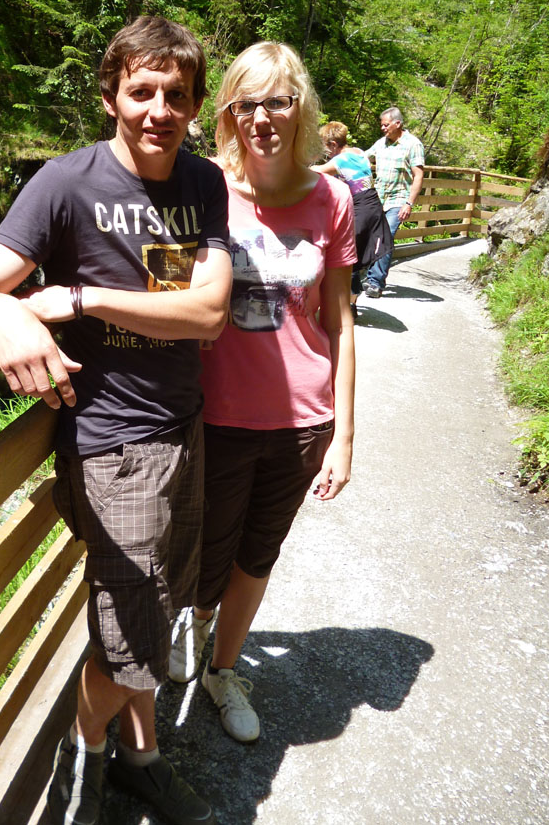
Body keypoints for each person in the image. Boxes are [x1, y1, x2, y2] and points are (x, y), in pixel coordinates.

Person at [0, 16, 233, 825]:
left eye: (177, 94)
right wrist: (7, 317)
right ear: (111, 96)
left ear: (194, 105)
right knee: (131, 644)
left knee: (155, 614)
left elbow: (208, 311)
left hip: (185, 427)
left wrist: (80, 298)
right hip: (112, 446)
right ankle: (83, 756)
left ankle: (141, 759)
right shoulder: (64, 184)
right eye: (142, 91)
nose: (159, 110)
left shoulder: (203, 183)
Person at [167, 42, 355, 744]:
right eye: (247, 103)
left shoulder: (332, 199)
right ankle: (196, 624)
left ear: (300, 108)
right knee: (207, 551)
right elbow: (162, 287)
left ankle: (223, 670)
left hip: (302, 418)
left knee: (258, 554)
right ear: (228, 113)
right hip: (216, 413)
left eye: (277, 101)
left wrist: (344, 435)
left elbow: (340, 320)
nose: (262, 117)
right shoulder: (204, 187)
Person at [313, 121, 393, 317]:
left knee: (348, 256)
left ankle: (346, 306)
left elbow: (316, 171)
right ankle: (351, 304)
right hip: (373, 205)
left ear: (333, 144)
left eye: (325, 147)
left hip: (361, 208)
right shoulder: (359, 152)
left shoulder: (340, 160)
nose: (326, 152)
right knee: (353, 256)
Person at [362, 106, 425, 297]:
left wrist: (409, 203)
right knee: (371, 236)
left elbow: (418, 175)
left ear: (397, 124)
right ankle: (367, 275)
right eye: (381, 125)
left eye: (386, 125)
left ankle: (375, 282)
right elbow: (363, 157)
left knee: (386, 236)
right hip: (378, 198)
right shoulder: (381, 143)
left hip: (398, 199)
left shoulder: (413, 144)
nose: (382, 128)